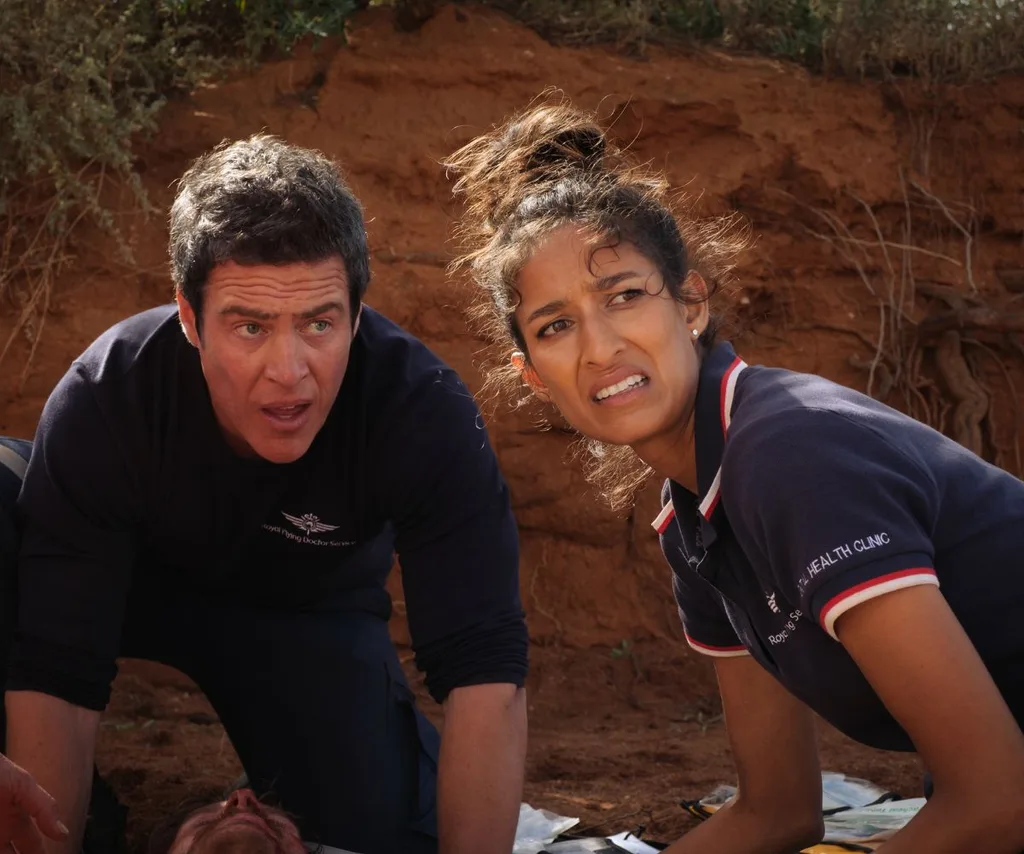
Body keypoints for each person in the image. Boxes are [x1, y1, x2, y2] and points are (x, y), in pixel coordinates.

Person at [444, 100, 1024, 854]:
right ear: (532, 375)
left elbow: (998, 801)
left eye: (624, 295)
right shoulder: (694, 521)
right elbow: (776, 810)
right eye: (555, 326)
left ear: (691, 302)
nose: (599, 347)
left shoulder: (790, 453)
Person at [3, 135, 529, 854]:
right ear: (189, 319)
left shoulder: (420, 409)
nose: (289, 371)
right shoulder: (108, 396)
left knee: (383, 832)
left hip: (302, 611)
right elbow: (56, 667)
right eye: (250, 326)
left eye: (319, 324)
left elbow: (484, 669)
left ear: (357, 313)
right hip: (120, 585)